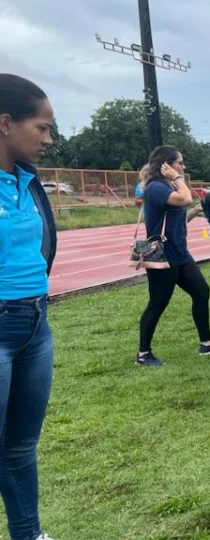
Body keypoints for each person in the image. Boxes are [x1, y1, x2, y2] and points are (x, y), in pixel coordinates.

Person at [0, 73, 59, 540]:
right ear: (5, 124)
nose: (49, 138)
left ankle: (29, 535)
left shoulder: (28, 181)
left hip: (35, 324)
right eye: (41, 128)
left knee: (20, 448)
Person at [137, 146, 210, 366]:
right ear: (166, 165)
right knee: (158, 302)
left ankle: (207, 343)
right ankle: (143, 354)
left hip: (180, 254)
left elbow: (179, 214)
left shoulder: (167, 186)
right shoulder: (156, 187)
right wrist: (179, 179)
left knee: (201, 291)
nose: (183, 167)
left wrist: (194, 212)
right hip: (163, 256)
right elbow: (185, 198)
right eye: (179, 163)